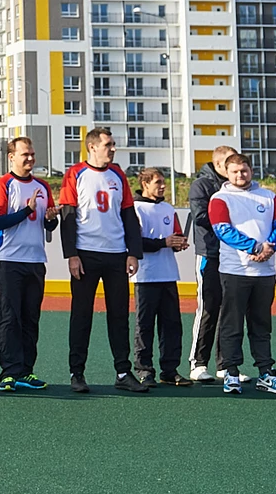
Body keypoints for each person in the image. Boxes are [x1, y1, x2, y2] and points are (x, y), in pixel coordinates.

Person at [57, 128, 147, 393]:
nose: (113, 149)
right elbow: (67, 216)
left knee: (119, 316)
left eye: (113, 144)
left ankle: (123, 372)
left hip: (116, 254)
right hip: (85, 254)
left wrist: (133, 252)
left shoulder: (118, 175)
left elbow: (129, 215)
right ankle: (77, 373)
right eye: (108, 144)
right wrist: (71, 254)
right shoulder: (75, 174)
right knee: (81, 315)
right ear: (92, 147)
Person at [207, 153, 276, 395]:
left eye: (244, 170)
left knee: (261, 325)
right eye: (234, 171)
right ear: (226, 173)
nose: (240, 175)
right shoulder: (220, 198)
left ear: (251, 170)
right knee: (232, 324)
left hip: (265, 272)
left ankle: (266, 373)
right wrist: (255, 247)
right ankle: (231, 372)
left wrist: (268, 247)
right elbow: (222, 230)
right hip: (235, 271)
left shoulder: (268, 196)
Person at [0, 136, 58, 392]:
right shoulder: (3, 184)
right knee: (9, 318)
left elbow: (48, 225)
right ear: (11, 157)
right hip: (9, 260)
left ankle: (26, 370)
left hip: (35, 260)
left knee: (30, 318)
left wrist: (50, 219)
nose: (30, 158)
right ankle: (9, 372)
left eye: (32, 154)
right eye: (25, 154)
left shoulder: (43, 186)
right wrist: (26, 210)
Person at [130, 168, 190, 387]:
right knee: (144, 326)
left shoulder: (168, 208)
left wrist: (178, 244)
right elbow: (134, 242)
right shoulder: (135, 208)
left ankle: (169, 370)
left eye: (163, 182)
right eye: (158, 182)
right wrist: (163, 243)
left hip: (168, 274)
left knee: (172, 325)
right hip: (145, 275)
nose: (163, 186)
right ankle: (144, 370)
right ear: (145, 184)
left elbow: (175, 235)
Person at [186, 144, 237, 382]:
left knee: (230, 311)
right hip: (210, 254)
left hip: (234, 257)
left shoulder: (236, 187)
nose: (235, 166)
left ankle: (225, 365)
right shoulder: (201, 185)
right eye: (229, 161)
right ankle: (198, 363)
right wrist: (231, 220)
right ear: (217, 164)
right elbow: (200, 216)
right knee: (207, 309)